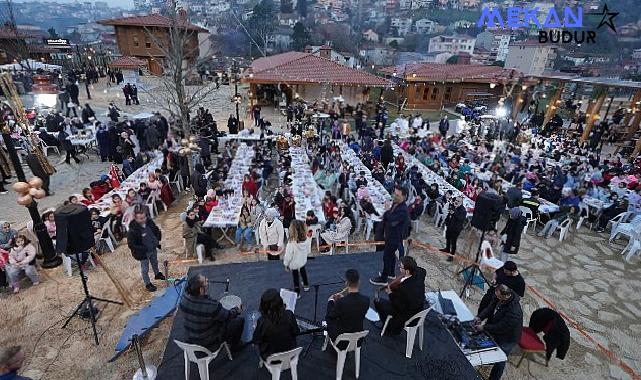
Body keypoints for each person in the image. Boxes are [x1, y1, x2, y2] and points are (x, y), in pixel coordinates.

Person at [179, 274, 245, 352]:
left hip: (189, 339)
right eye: (206, 281)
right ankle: (235, 346)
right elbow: (228, 316)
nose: (208, 280)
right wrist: (237, 310)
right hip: (207, 342)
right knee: (239, 321)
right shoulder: (211, 306)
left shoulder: (183, 299)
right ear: (200, 290)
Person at [474, 284, 523, 380]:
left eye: (499, 297)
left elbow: (500, 327)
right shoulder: (498, 296)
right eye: (497, 296)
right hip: (498, 329)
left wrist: (483, 327)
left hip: (508, 338)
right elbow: (490, 309)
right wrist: (480, 317)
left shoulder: (514, 311)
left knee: (500, 358)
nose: (497, 298)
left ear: (505, 296)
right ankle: (488, 361)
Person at [373, 256, 426, 335]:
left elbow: (398, 305)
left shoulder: (404, 288)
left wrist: (390, 293)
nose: (398, 268)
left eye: (401, 267)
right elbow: (422, 270)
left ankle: (389, 327)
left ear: (407, 271)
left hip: (407, 314)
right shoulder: (420, 273)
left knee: (378, 302)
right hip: (418, 308)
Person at [371, 187, 409, 284]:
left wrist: (387, 211)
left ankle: (383, 279)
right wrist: (384, 215)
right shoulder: (396, 203)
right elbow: (389, 216)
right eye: (394, 194)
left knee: (386, 257)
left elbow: (392, 220)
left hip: (395, 238)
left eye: (397, 195)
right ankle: (391, 273)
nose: (394, 196)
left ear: (404, 197)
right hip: (389, 235)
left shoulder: (403, 210)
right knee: (391, 256)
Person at [325, 269, 370, 347]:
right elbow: (354, 308)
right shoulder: (366, 300)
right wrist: (343, 299)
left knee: (328, 318)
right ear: (359, 282)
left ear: (346, 283)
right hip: (358, 339)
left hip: (342, 341)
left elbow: (331, 316)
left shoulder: (341, 302)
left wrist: (331, 301)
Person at [252, 288, 299, 360]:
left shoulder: (262, 321)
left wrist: (256, 328)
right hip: (290, 353)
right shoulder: (289, 314)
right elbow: (296, 332)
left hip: (271, 358)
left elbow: (256, 340)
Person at [127, 210, 165, 292]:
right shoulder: (133, 230)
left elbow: (156, 229)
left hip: (153, 249)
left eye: (144, 217)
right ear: (136, 219)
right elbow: (131, 245)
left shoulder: (149, 222)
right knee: (145, 269)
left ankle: (157, 274)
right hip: (143, 253)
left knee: (155, 262)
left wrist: (157, 238)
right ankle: (148, 283)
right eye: (141, 218)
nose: (144, 219)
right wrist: (143, 248)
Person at [283, 220, 311, 297]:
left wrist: (286, 264)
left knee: (295, 278)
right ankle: (306, 286)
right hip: (302, 261)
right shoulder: (307, 239)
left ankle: (297, 293)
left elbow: (288, 256)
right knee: (303, 272)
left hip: (294, 264)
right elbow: (308, 251)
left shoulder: (291, 243)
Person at [441, 196, 466, 262]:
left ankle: (451, 255)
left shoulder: (463, 210)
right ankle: (447, 249)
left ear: (461, 202)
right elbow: (449, 214)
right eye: (456, 200)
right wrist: (446, 221)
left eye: (458, 201)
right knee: (448, 238)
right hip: (450, 226)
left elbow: (460, 219)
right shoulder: (453, 206)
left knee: (453, 242)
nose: (456, 202)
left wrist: (454, 212)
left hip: (456, 229)